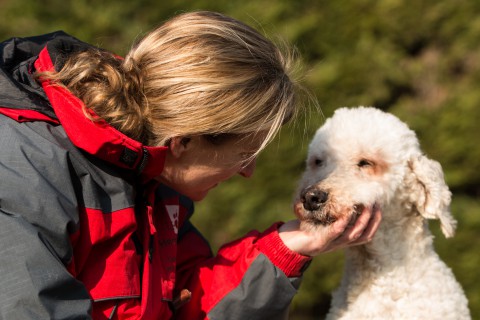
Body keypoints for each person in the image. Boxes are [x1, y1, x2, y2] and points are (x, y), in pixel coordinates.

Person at [0, 11, 381, 320]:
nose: (248, 172)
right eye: (244, 155)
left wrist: (290, 246)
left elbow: (187, 302)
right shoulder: (24, 177)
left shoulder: (151, 176)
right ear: (184, 142)